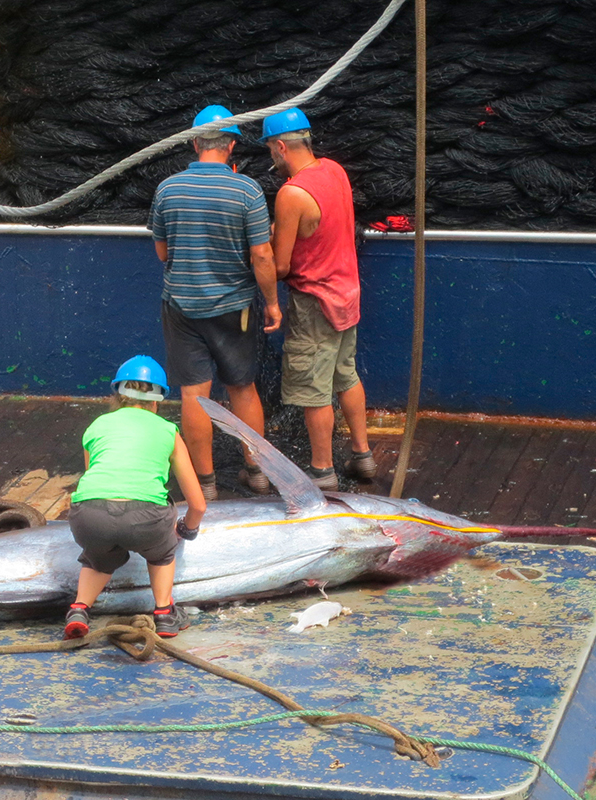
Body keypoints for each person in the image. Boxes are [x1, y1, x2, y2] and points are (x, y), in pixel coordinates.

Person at [150, 104, 281, 500]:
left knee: (194, 395)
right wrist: (272, 303)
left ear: (194, 143)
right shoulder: (247, 190)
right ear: (232, 145)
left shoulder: (168, 189)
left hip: (182, 308)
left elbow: (162, 253)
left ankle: (205, 484)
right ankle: (256, 470)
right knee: (242, 388)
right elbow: (261, 255)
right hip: (235, 309)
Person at [263, 108, 377, 490]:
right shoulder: (334, 171)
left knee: (315, 391)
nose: (272, 161)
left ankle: (322, 471)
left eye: (271, 152)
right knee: (346, 375)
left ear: (281, 147)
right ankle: (363, 456)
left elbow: (279, 266)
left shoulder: (291, 192)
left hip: (315, 302)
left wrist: (261, 241)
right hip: (347, 295)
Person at [63, 356, 207, 640]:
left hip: (88, 515)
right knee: (163, 551)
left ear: (118, 394)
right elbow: (198, 504)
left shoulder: (97, 426)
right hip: (145, 519)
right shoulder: (168, 431)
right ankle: (164, 614)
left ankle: (79, 609)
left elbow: (96, 480)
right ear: (157, 401)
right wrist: (186, 530)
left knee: (97, 556)